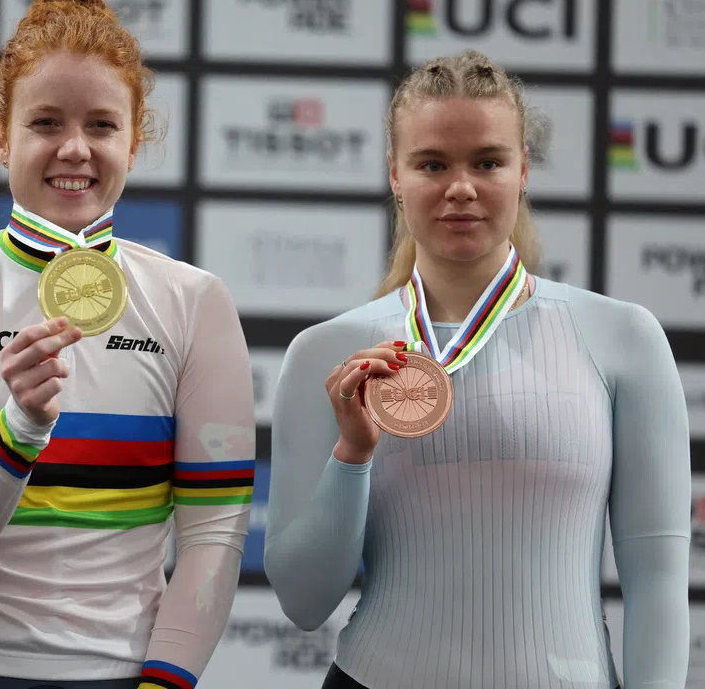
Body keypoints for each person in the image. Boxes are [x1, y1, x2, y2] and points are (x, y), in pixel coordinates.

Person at [0, 0, 256, 689]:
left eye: (102, 126)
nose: (74, 148)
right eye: (46, 123)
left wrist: (163, 684)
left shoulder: (195, 303)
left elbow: (213, 536)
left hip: (122, 674)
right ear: (1, 135)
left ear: (135, 141)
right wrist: (21, 427)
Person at [264, 49, 689, 689]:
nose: (460, 186)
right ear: (395, 176)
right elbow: (303, 600)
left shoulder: (621, 337)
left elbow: (657, 576)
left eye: (487, 162)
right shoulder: (328, 352)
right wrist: (352, 454)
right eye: (432, 163)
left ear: (523, 174)